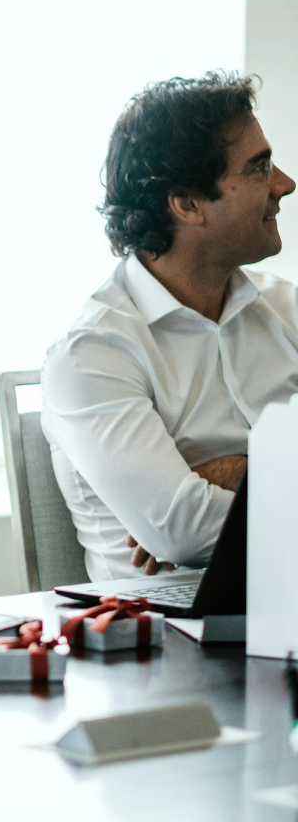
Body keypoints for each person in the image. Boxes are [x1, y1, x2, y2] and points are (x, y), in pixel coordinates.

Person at [43, 71, 297, 581]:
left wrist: (225, 474)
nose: (284, 185)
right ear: (186, 204)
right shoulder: (92, 352)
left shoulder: (286, 307)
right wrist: (275, 469)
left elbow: (193, 522)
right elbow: (184, 534)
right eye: (258, 168)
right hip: (165, 643)